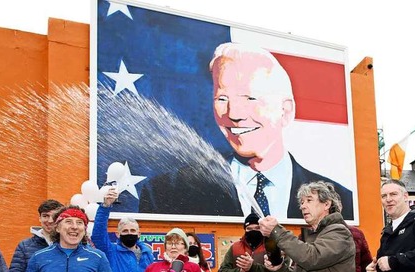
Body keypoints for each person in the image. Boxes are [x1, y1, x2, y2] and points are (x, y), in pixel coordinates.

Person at [139, 42, 353, 220]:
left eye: (250, 98)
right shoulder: (166, 192)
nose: (234, 113)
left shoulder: (342, 200)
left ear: (285, 110)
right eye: (222, 99)